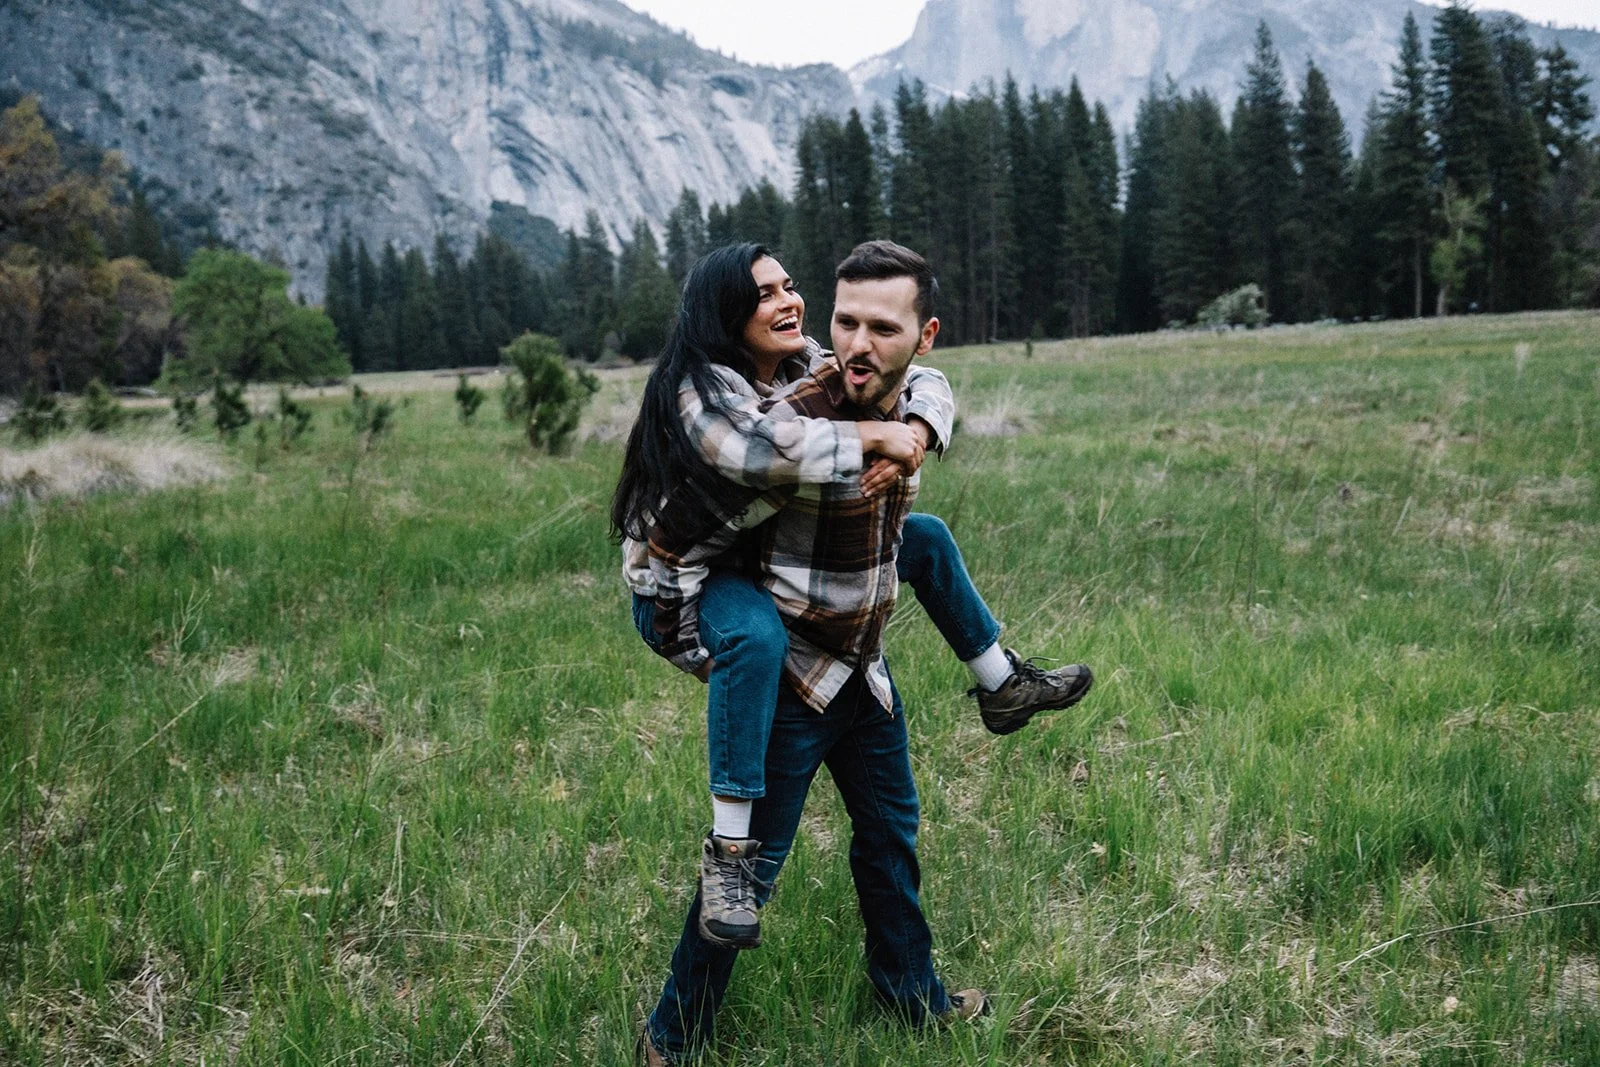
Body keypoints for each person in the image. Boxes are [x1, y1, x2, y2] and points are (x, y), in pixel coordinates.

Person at [627, 242, 1088, 1063]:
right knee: (749, 875)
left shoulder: (857, 373)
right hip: (792, 669)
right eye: (849, 321)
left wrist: (913, 425)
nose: (854, 340)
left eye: (883, 326)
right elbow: (765, 449)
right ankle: (672, 1037)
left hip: (861, 665)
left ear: (924, 334)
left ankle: (912, 993)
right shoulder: (781, 404)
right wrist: (879, 433)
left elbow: (929, 388)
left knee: (890, 836)